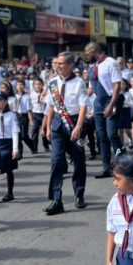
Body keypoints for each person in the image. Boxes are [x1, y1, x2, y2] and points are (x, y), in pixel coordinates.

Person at [42, 51, 88, 215]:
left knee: (78, 159)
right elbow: (50, 106)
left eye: (61, 64)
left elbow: (83, 106)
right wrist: (47, 127)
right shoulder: (52, 82)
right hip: (57, 125)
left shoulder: (79, 83)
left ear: (70, 65)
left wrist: (78, 127)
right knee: (56, 161)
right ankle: (56, 199)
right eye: (57, 64)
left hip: (75, 122)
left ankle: (79, 194)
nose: (58, 66)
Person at [85, 42, 124, 179]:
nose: (86, 56)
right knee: (101, 136)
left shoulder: (110, 63)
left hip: (111, 100)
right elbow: (90, 89)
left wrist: (111, 104)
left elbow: (117, 85)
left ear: (94, 50)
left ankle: (123, 164)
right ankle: (106, 166)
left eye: (87, 53)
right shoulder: (92, 67)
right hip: (98, 102)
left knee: (112, 134)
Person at [0, 92, 20, 205]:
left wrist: (15, 148)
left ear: (5, 102)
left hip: (7, 144)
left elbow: (15, 132)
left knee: (8, 169)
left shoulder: (11, 115)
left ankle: (10, 193)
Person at [28, 77, 50, 154]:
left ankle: (46, 145)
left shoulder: (45, 93)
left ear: (42, 85)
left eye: (39, 84)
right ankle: (34, 148)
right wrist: (30, 118)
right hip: (35, 114)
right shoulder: (31, 94)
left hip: (44, 114)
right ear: (33, 85)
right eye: (36, 84)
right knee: (34, 131)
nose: (37, 86)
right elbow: (29, 106)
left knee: (44, 130)